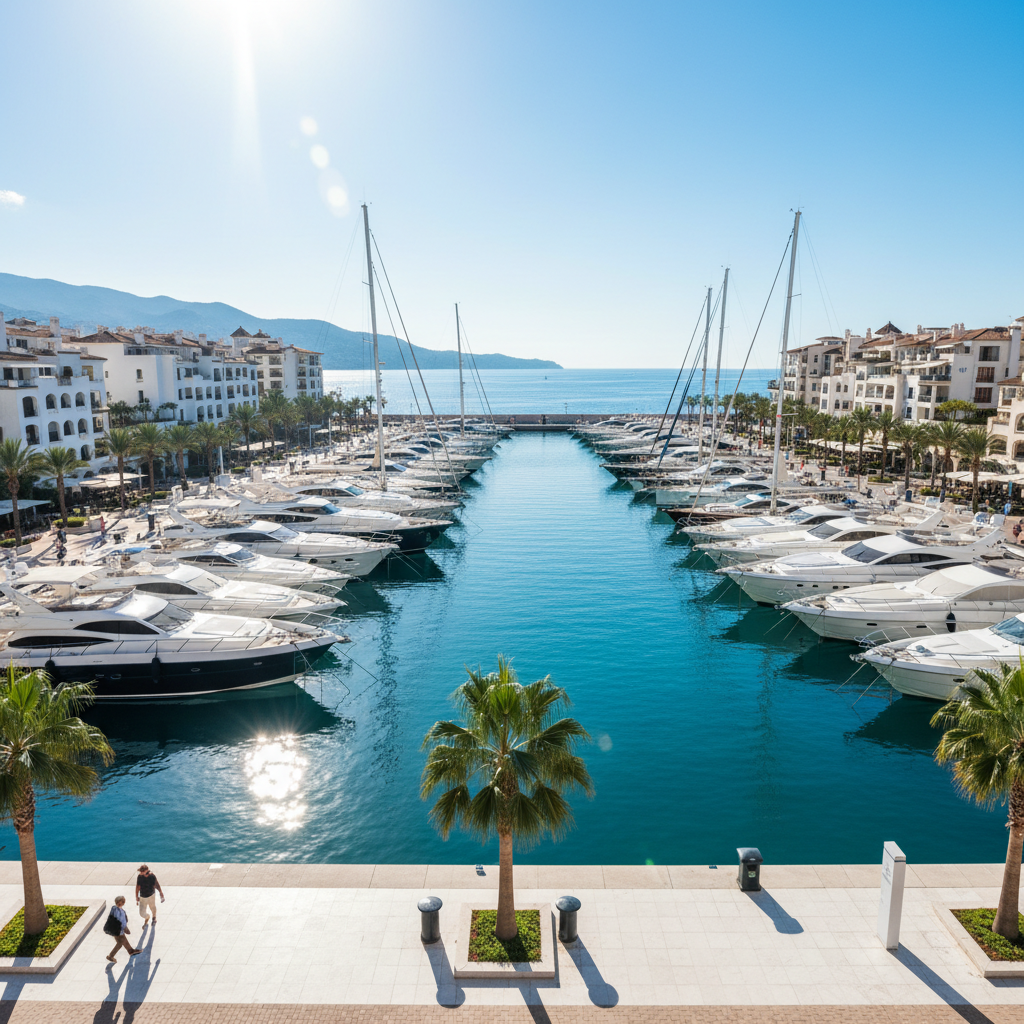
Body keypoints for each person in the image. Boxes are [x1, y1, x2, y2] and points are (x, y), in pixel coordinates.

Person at [106, 896, 140, 962]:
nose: (123, 903)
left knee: (123, 940)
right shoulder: (119, 911)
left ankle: (130, 951)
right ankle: (111, 956)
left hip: (115, 930)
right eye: (122, 901)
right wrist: (125, 928)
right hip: (118, 930)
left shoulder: (114, 908)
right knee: (119, 943)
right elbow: (120, 920)